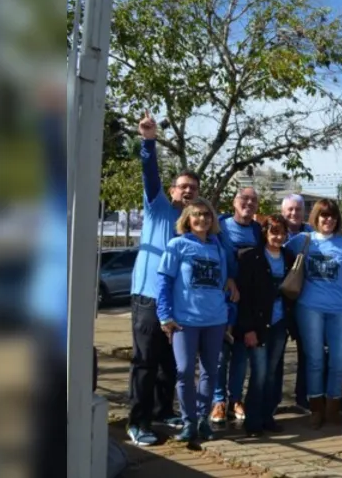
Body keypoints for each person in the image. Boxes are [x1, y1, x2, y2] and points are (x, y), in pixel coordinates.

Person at [127, 112, 237, 446]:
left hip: (182, 305)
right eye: (183, 186)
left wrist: (231, 278)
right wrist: (149, 141)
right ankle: (138, 421)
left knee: (168, 363)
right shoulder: (158, 205)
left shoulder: (195, 225)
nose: (188, 191)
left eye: (194, 188)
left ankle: (163, 412)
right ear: (173, 189)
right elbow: (149, 174)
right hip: (149, 296)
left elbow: (221, 253)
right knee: (145, 361)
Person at [285, 199, 342, 429]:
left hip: (339, 309)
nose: (328, 220)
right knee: (315, 360)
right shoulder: (303, 240)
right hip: (309, 308)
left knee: (340, 360)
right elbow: (278, 253)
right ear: (316, 218)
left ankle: (332, 407)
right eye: (323, 216)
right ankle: (316, 408)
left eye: (332, 216)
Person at [156, 198, 233, 443]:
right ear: (187, 219)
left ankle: (203, 420)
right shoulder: (177, 245)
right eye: (197, 214)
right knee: (185, 371)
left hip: (215, 320)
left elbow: (223, 283)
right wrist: (164, 315)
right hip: (184, 321)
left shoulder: (217, 247)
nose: (203, 219)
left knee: (211, 370)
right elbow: (164, 282)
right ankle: (188, 422)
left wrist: (228, 315)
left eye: (207, 215)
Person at [235, 215, 296, 436]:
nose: (278, 237)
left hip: (280, 324)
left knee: (272, 373)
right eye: (274, 232)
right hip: (258, 325)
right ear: (265, 233)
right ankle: (253, 421)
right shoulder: (251, 257)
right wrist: (248, 329)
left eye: (282, 233)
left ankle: (267, 416)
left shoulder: (290, 257)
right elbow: (244, 298)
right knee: (259, 373)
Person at [212, 187, 263, 423]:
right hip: (222, 299)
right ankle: (218, 400)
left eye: (253, 200)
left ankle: (235, 399)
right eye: (244, 198)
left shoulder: (257, 230)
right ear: (234, 202)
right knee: (221, 355)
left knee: (241, 356)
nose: (249, 203)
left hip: (247, 302)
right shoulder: (219, 226)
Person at [281, 193, 313, 413]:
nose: (294, 214)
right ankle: (271, 401)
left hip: (305, 302)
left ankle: (303, 398)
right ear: (283, 212)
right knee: (275, 354)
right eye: (290, 210)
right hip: (279, 304)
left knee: (306, 352)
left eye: (298, 210)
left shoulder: (313, 235)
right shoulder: (273, 232)